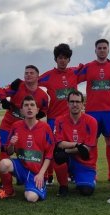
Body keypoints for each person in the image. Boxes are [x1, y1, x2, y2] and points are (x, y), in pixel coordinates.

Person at [0, 65, 49, 198]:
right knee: (4, 155)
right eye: (26, 73)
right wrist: (3, 100)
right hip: (8, 126)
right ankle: (7, 188)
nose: (28, 75)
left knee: (27, 153)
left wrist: (35, 118)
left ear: (37, 76)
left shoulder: (43, 95)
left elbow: (44, 110)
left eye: (31, 73)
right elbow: (0, 90)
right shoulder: (17, 85)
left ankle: (28, 177)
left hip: (26, 128)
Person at [77, 38, 110, 183]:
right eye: (99, 48)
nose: (102, 50)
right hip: (92, 112)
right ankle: (92, 172)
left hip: (109, 111)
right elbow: (73, 78)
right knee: (91, 143)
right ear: (95, 50)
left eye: (104, 48)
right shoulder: (88, 67)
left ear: (108, 50)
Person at [0, 95, 55, 202]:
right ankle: (9, 191)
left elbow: (49, 155)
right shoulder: (16, 126)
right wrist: (11, 144)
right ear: (21, 110)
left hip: (36, 171)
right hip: (21, 167)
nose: (29, 108)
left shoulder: (45, 128)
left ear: (37, 110)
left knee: (31, 198)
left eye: (32, 105)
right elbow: (9, 152)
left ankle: (38, 185)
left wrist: (41, 174)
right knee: (3, 164)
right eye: (26, 105)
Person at [39, 43, 82, 185]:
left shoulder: (75, 72)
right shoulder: (47, 76)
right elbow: (32, 81)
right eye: (60, 58)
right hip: (54, 119)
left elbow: (91, 67)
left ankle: (72, 174)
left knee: (72, 147)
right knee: (51, 147)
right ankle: (49, 176)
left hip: (72, 120)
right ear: (55, 59)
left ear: (69, 59)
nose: (62, 60)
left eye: (65, 58)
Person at [53, 90, 98, 197]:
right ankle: (63, 186)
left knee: (86, 191)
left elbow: (86, 149)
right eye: (72, 102)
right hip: (69, 160)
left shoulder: (91, 121)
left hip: (85, 163)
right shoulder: (59, 120)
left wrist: (67, 150)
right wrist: (77, 145)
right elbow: (59, 143)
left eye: (78, 102)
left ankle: (86, 178)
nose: (75, 104)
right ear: (67, 103)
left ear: (83, 104)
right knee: (57, 155)